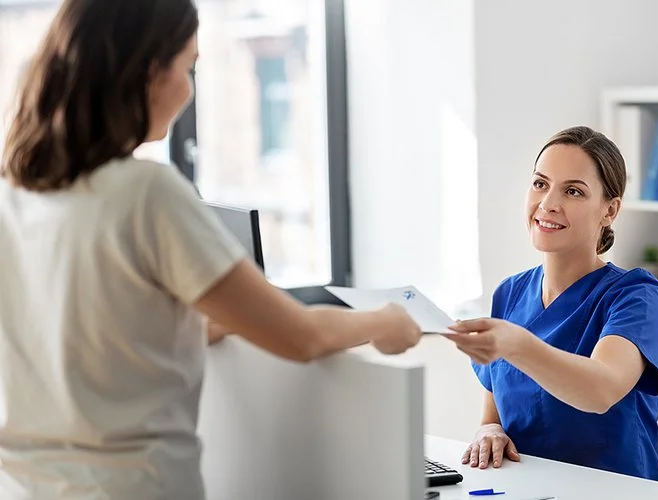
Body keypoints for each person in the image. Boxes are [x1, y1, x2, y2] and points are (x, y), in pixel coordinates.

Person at [0, 0, 421, 498]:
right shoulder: (144, 192)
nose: (188, 89)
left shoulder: (15, 194)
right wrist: (385, 322)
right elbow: (300, 336)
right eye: (188, 66)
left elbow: (92, 330)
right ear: (148, 72)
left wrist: (210, 321)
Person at [447, 126, 658, 482]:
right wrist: (489, 432)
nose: (548, 203)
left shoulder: (637, 295)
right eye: (540, 183)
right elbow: (493, 416)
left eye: (573, 191)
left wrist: (518, 344)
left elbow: (601, 390)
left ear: (609, 210)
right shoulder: (510, 293)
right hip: (526, 487)